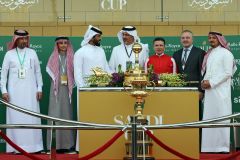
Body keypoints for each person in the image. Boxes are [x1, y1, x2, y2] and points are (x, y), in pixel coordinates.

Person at [1, 30, 43, 153]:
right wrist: (4, 91)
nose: (24, 41)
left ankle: (34, 147)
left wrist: (39, 88)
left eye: (26, 39)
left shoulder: (32, 53)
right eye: (21, 39)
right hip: (14, 93)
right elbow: (3, 75)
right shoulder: (9, 54)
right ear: (16, 40)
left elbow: (37, 72)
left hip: (31, 93)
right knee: (16, 117)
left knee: (31, 117)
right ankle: (16, 147)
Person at [201, 31, 237, 153]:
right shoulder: (210, 54)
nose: (211, 40)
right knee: (209, 118)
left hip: (221, 93)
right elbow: (208, 71)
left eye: (213, 38)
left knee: (221, 117)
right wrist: (204, 81)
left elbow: (228, 73)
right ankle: (208, 147)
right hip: (210, 93)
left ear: (220, 39)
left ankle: (222, 147)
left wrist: (211, 82)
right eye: (209, 38)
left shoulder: (226, 53)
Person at [46, 37, 75, 153]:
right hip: (56, 91)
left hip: (67, 91)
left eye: (65, 43)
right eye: (61, 43)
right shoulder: (53, 57)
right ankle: (54, 146)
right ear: (57, 45)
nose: (63, 45)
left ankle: (67, 145)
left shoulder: (72, 57)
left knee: (66, 115)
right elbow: (49, 70)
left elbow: (75, 72)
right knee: (55, 115)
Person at [173, 30, 205, 98]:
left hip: (195, 90)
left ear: (192, 39)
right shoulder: (176, 54)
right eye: (183, 38)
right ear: (180, 40)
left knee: (195, 108)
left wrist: (201, 90)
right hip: (180, 90)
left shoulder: (200, 53)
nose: (185, 40)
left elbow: (202, 73)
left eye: (187, 38)